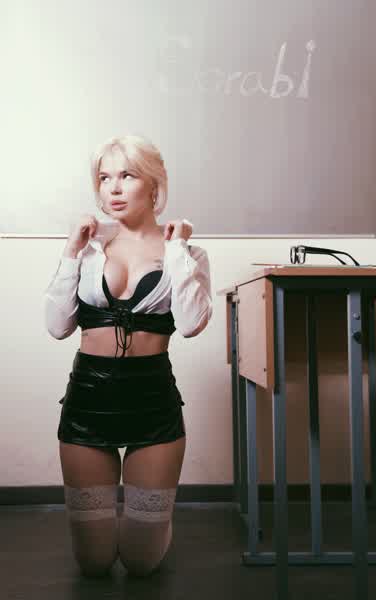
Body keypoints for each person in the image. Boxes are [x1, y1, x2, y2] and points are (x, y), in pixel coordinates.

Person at [43, 134, 213, 578]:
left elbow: (192, 323)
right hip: (88, 402)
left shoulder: (188, 253)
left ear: (154, 185)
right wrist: (70, 250)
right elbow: (58, 326)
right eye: (104, 178)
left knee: (140, 562)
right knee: (95, 562)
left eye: (127, 176)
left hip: (153, 402)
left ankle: (153, 525)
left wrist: (177, 249)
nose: (113, 188)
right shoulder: (88, 248)